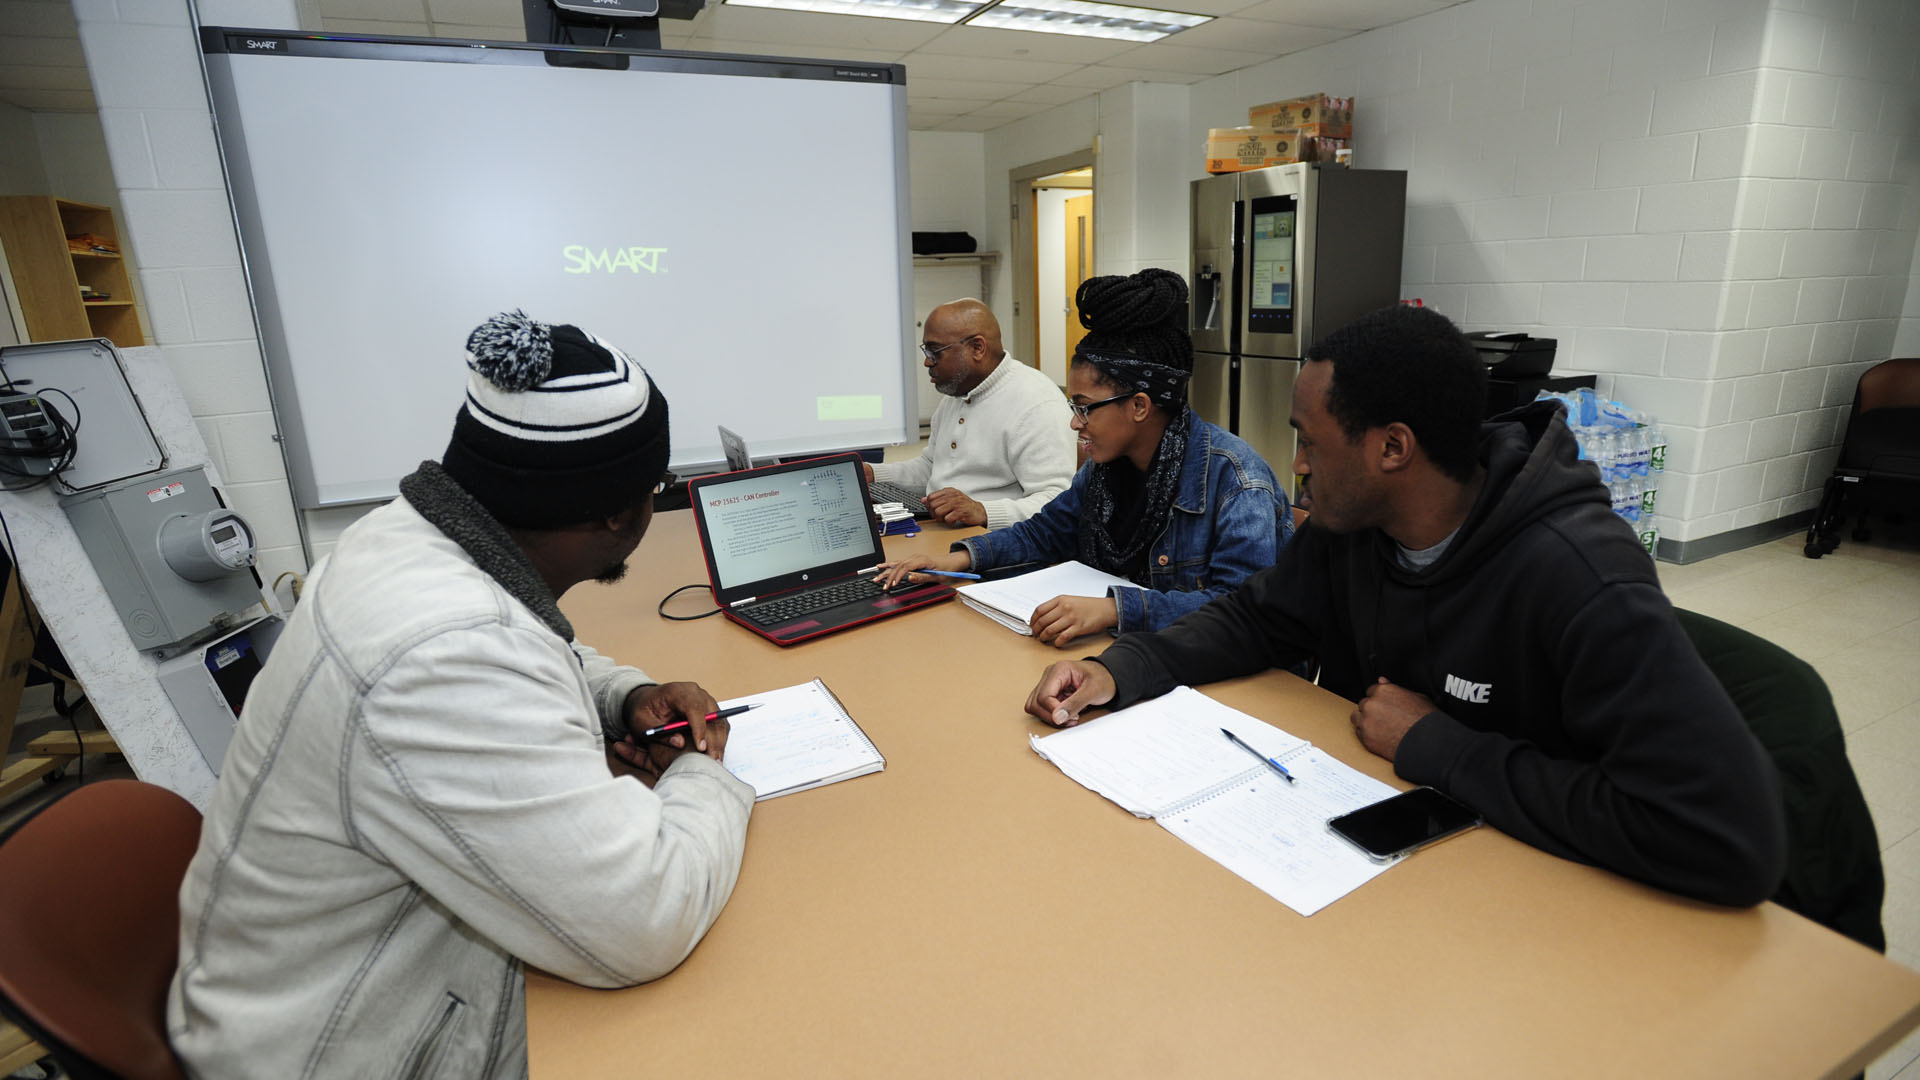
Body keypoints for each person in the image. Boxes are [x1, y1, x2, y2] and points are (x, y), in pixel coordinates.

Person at [1023, 304, 1789, 907]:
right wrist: (1122, 670)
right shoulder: (1354, 526)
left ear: (1393, 449)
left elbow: (1725, 840)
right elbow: (1256, 616)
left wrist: (1435, 746)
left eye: (1309, 443)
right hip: (1401, 866)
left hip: (1552, 909)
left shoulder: (1579, 577)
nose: (1295, 467)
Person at [168, 312, 755, 1078]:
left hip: (383, 979)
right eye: (656, 488)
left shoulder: (408, 539)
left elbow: (536, 648)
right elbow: (641, 921)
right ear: (619, 512)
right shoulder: (443, 653)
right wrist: (703, 774)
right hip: (340, 1047)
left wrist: (626, 695)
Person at [880, 269, 1290, 646]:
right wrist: (952, 559)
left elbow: (1240, 609)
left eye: (1083, 407)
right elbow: (1045, 531)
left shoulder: (1235, 480)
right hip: (1132, 650)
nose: (1075, 424)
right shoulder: (1105, 470)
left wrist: (1114, 608)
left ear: (1140, 406)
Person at [868, 298, 1075, 527]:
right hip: (942, 528)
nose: (927, 362)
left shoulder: (1036, 404)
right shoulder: (958, 393)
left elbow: (1057, 503)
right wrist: (874, 474)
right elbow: (932, 467)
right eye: (926, 351)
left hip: (994, 541)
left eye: (936, 351)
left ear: (977, 348)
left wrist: (983, 511)